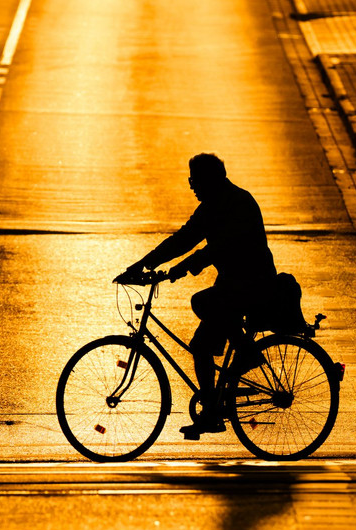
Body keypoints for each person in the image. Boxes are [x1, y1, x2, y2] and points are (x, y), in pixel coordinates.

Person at [116, 153, 276, 439]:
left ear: (210, 179)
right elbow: (183, 238)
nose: (191, 186)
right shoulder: (212, 205)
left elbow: (222, 247)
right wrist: (142, 265)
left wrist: (182, 267)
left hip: (253, 283)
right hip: (233, 284)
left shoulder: (237, 202)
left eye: (194, 180)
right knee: (200, 345)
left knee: (202, 302)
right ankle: (212, 412)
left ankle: (246, 352)